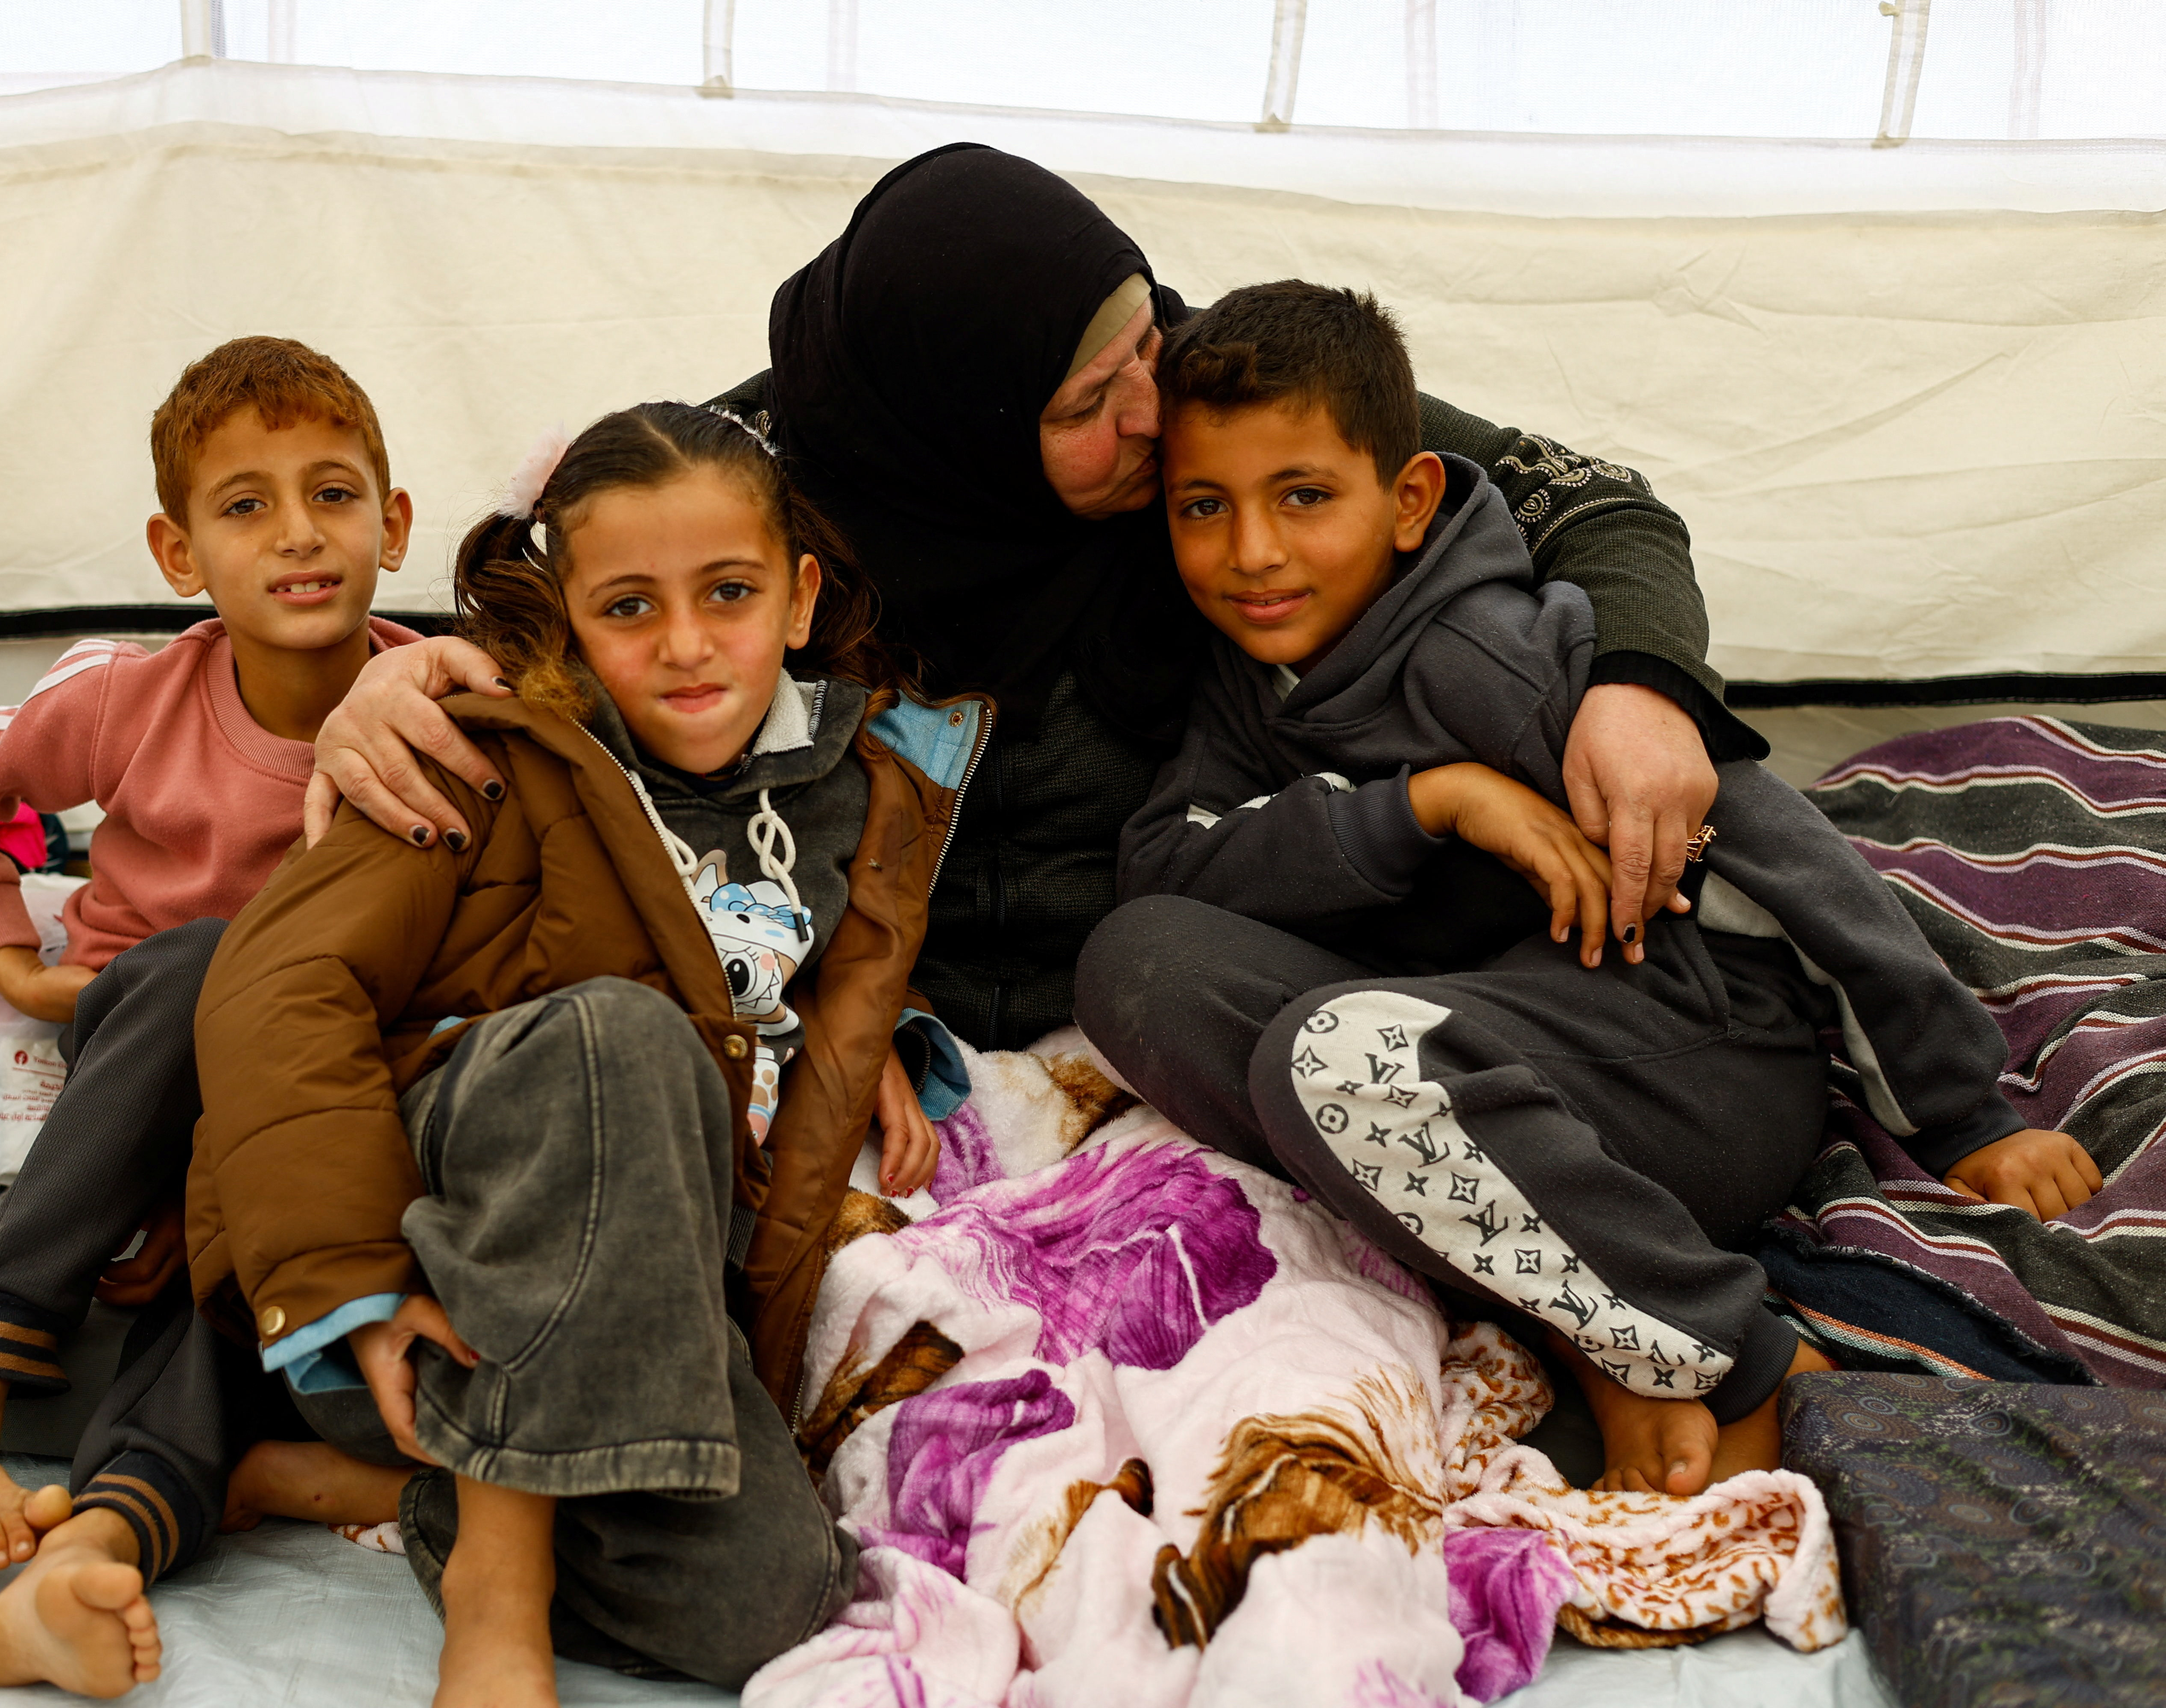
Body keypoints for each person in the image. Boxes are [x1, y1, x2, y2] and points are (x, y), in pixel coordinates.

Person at [299, 144, 1752, 1049]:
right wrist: (411, 668)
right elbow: (568, 587)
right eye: (1082, 403)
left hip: (1191, 984)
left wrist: (1640, 685)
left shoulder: (1220, 400)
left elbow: (1594, 499)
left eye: (1145, 335)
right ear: (959, 432)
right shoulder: (769, 464)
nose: (1149, 411)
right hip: (854, 1022)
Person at [1073, 281, 2105, 1493]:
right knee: (1134, 966)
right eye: (1207, 508)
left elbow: (1789, 860)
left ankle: (1745, 1358)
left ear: (1409, 501)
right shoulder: (1257, 673)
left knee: (1341, 1058)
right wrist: (1429, 807)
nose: (1254, 553)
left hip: (1697, 1055)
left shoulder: (1500, 664)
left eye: (1304, 498)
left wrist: (1966, 1118)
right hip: (1483, 1039)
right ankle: (1575, 1311)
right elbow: (1169, 862)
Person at [184, 402, 976, 1706]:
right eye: (626, 608)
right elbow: (277, 981)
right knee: (621, 1037)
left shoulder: (857, 780)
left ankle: (406, 1492)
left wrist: (868, 1017)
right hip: (446, 1241)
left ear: (799, 598)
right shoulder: (477, 750)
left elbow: (769, 938)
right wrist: (350, 1284)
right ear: (564, 611)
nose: (683, 644)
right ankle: (495, 1597)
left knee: (769, 1602)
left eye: (727, 593)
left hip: (648, 1284)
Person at [0, 336, 421, 1691]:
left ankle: (93, 1557)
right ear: (179, 554)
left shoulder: (434, 716)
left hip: (281, 1141)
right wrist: (3, 954)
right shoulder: (125, 696)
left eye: (335, 496)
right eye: (246, 507)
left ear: (395, 526)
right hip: (136, 1072)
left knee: (249, 1300)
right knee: (215, 962)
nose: (298, 535)